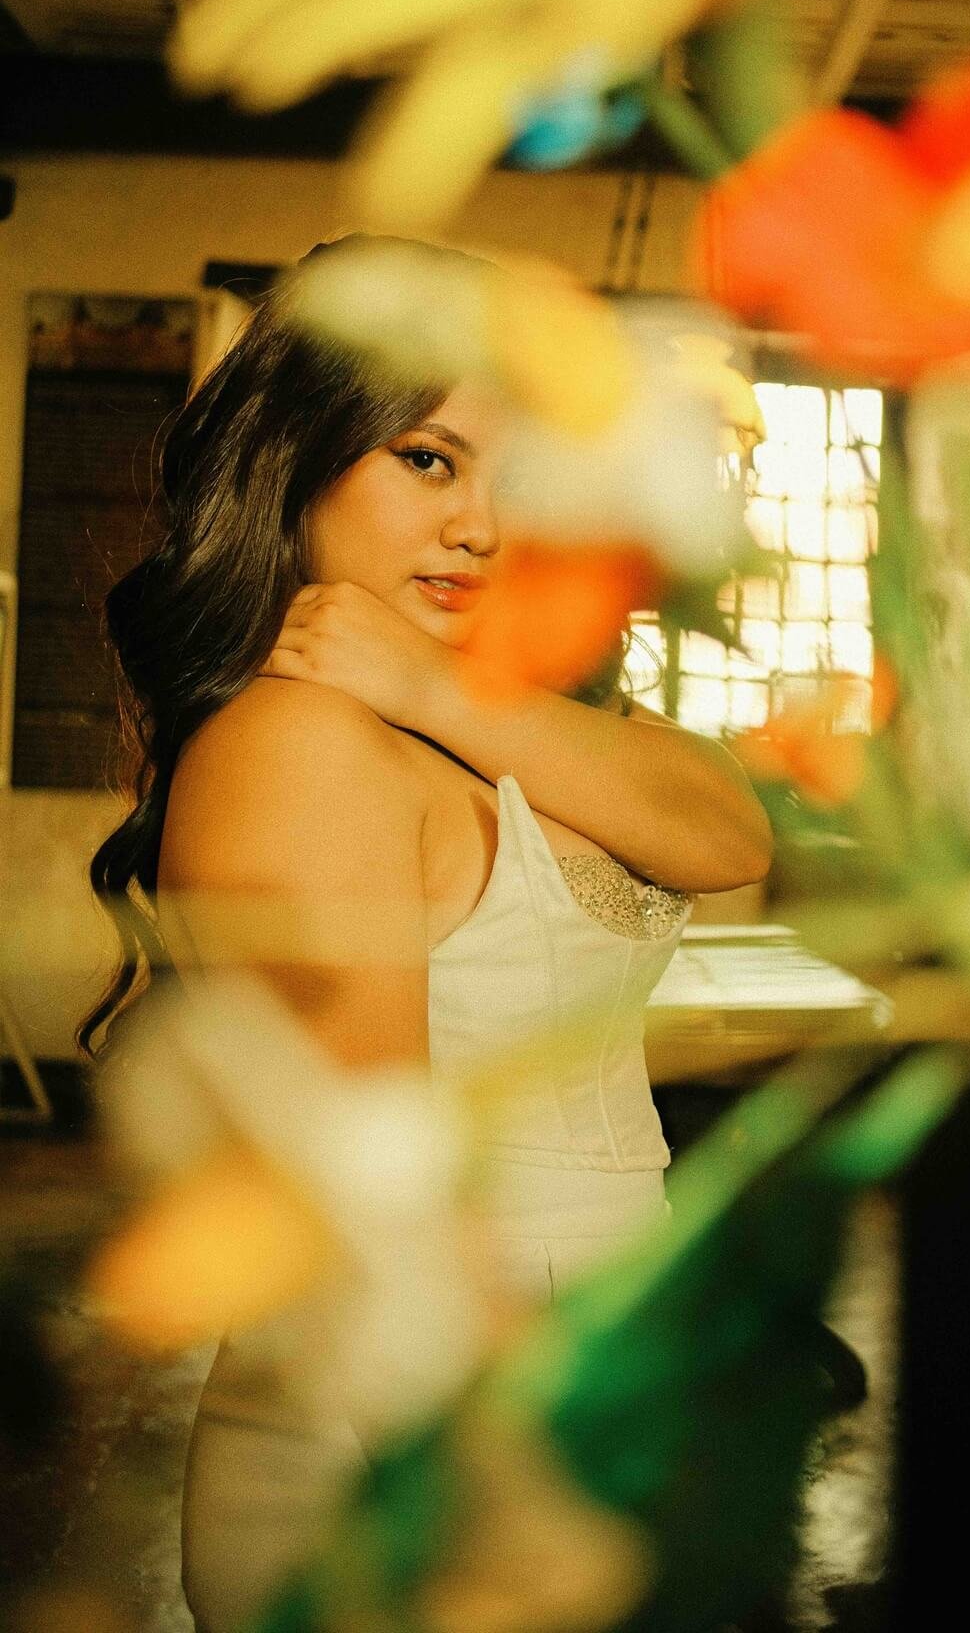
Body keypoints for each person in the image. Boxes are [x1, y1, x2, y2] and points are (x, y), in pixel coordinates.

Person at [80, 238, 773, 1633]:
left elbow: (727, 833)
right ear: (296, 462)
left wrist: (438, 686)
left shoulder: (496, 714)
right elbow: (374, 1226)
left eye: (522, 477)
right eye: (429, 460)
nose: (483, 528)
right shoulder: (295, 745)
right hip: (410, 1455)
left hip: (574, 1390)